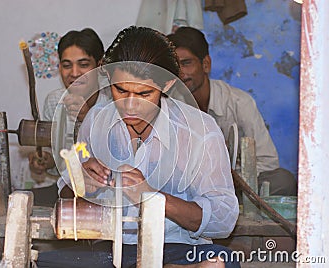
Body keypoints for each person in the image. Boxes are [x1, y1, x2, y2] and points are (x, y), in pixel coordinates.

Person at [37, 26, 239, 267]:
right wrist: (79, 181)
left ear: (166, 86)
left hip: (176, 246)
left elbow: (223, 220)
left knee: (224, 260)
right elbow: (68, 190)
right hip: (111, 249)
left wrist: (153, 198)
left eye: (144, 94)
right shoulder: (96, 120)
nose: (130, 106)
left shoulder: (199, 131)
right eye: (120, 90)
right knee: (45, 262)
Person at [168, 27, 297, 196]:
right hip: (194, 189)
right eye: (175, 66)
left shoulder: (239, 102)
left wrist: (232, 179)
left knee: (283, 180)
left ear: (206, 64)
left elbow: (268, 161)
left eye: (186, 63)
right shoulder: (170, 106)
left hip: (237, 187)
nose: (181, 73)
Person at [28, 28, 110, 204]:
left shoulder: (114, 100)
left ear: (100, 65)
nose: (74, 73)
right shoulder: (55, 101)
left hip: (108, 191)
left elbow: (118, 155)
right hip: (67, 190)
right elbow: (59, 162)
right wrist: (45, 161)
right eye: (66, 65)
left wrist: (87, 118)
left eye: (83, 64)